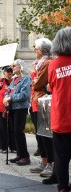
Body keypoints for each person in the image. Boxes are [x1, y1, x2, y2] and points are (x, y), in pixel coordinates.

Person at [48, 27, 71, 192]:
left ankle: (62, 187)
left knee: (61, 156)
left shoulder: (54, 64)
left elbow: (51, 87)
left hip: (61, 116)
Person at [29, 38, 54, 177]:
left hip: (43, 102)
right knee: (40, 135)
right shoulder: (40, 64)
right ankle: (44, 162)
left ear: (43, 50)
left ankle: (51, 164)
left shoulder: (47, 63)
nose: (34, 51)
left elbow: (37, 84)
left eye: (37, 48)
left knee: (46, 136)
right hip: (36, 101)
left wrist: (34, 81)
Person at [3, 59, 31, 166]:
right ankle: (20, 154)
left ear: (21, 67)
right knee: (15, 132)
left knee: (18, 131)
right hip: (13, 108)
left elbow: (24, 95)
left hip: (20, 108)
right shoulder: (14, 80)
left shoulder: (26, 79)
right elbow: (8, 91)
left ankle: (25, 156)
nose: (13, 67)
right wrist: (6, 99)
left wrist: (10, 98)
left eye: (15, 66)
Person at [0, 66, 15, 153]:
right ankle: (3, 146)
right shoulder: (1, 80)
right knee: (2, 128)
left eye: (10, 72)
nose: (9, 73)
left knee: (12, 127)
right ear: (4, 73)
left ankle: (13, 146)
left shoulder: (15, 80)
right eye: (7, 72)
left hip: (12, 107)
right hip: (1, 108)